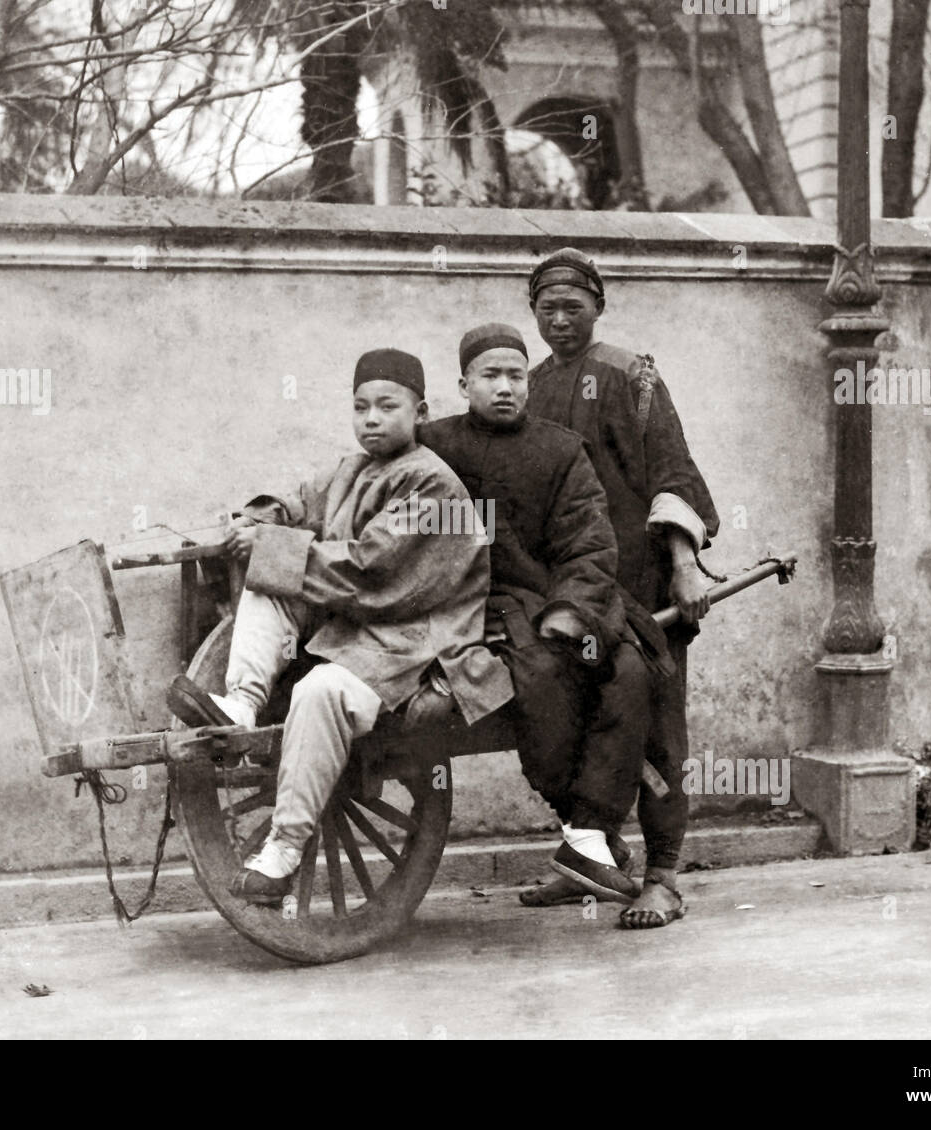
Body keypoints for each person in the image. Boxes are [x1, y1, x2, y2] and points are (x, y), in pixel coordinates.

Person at [167, 347, 513, 902]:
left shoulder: (435, 485)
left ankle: (283, 848)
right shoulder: (353, 468)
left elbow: (373, 568)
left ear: (421, 413)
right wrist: (257, 521)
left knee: (320, 691)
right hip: (364, 624)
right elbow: (298, 503)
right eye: (360, 407)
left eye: (387, 406)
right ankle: (241, 704)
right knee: (266, 578)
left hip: (415, 640)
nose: (371, 419)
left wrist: (271, 547)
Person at [523, 248, 720, 929]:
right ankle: (595, 857)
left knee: (657, 731)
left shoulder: (631, 375)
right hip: (574, 589)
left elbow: (673, 471)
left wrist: (684, 564)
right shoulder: (531, 385)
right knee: (573, 723)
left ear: (599, 307)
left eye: (573, 307)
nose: (560, 320)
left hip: (641, 581)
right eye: (547, 309)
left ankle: (662, 877)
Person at [419, 323, 648, 903]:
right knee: (543, 676)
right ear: (464, 384)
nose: (505, 387)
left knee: (630, 670)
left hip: (553, 600)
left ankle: (590, 832)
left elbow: (589, 542)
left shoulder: (561, 449)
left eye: (516, 376)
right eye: (490, 376)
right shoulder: (432, 445)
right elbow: (371, 488)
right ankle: (586, 835)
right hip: (474, 605)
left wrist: (570, 609)